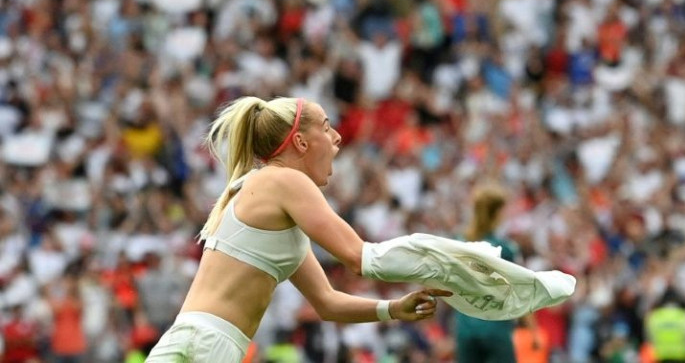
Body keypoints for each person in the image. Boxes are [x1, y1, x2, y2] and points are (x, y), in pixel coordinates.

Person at [146, 96, 450, 363]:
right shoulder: (285, 180)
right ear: (302, 143)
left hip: (189, 338)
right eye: (327, 126)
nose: (338, 137)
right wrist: (447, 264)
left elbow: (327, 302)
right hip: (210, 346)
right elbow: (357, 257)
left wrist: (394, 308)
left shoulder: (275, 206)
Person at [453, 182, 525, 363]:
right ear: (498, 212)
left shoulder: (458, 244)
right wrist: (532, 329)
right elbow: (521, 291)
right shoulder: (505, 249)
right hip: (496, 330)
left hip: (466, 329)